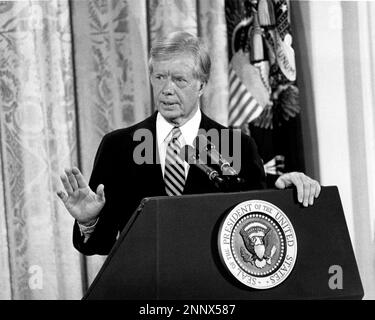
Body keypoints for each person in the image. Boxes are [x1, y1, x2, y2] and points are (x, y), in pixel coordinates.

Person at [57, 31, 320, 256]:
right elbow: (99, 245)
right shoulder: (118, 146)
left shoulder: (236, 146)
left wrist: (283, 193)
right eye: (159, 77)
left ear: (202, 85)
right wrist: (89, 221)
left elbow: (254, 223)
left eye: (179, 79)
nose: (167, 89)